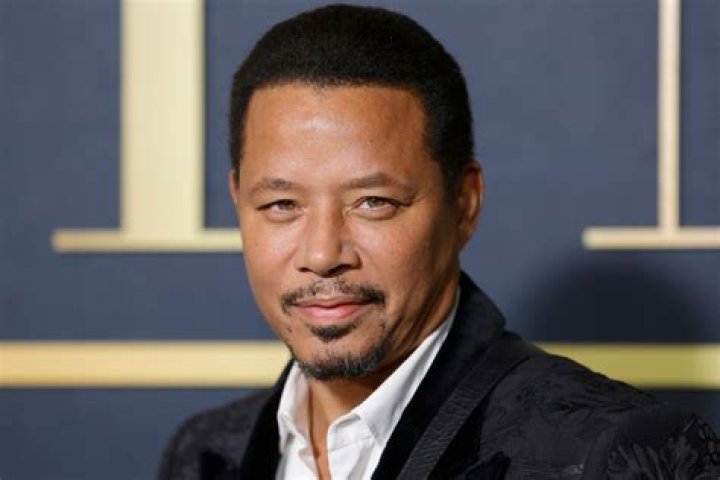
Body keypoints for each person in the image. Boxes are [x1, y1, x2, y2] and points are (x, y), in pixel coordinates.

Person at [159, 5, 719, 479]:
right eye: (282, 205)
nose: (323, 254)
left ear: (464, 203)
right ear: (238, 202)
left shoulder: (610, 453)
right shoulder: (203, 453)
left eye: (373, 202)